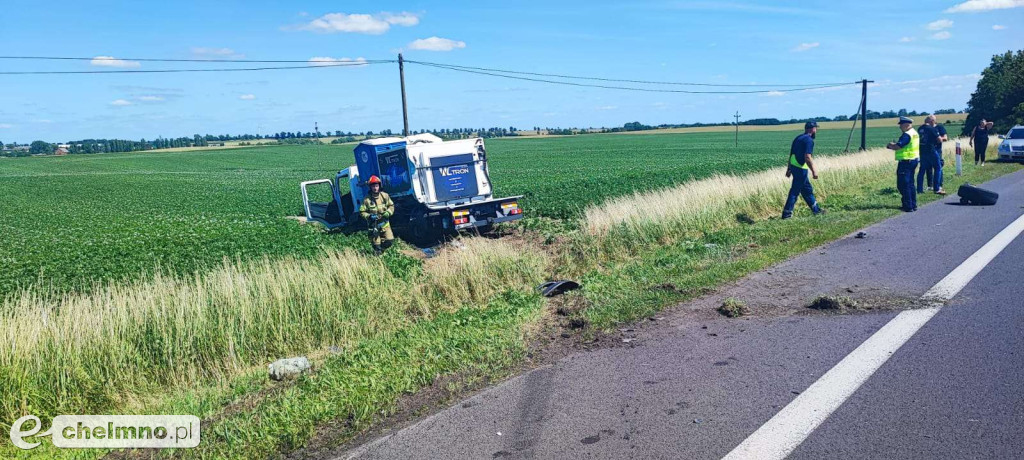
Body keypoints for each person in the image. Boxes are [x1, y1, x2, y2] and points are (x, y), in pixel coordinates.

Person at [782, 121, 824, 219]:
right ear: (812, 129)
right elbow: (807, 157)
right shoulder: (809, 140)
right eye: (816, 128)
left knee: (807, 190)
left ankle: (816, 210)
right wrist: (814, 171)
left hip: (794, 166)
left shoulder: (798, 138)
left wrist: (789, 169)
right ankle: (786, 214)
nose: (816, 130)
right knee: (795, 191)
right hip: (801, 168)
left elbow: (791, 154)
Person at [886, 117, 920, 212]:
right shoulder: (914, 133)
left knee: (903, 184)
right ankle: (913, 204)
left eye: (901, 125)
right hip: (913, 160)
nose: (900, 127)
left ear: (906, 125)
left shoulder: (907, 135)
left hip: (906, 162)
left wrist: (890, 145)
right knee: (910, 184)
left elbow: (898, 146)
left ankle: (908, 205)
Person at [359, 175, 395, 255]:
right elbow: (362, 212)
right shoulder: (366, 200)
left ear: (379, 186)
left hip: (385, 225)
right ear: (370, 187)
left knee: (389, 241)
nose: (375, 188)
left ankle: (382, 250)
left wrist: (388, 212)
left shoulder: (385, 196)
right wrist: (369, 216)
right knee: (377, 247)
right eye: (373, 186)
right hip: (374, 227)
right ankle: (378, 257)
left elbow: (391, 206)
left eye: (376, 186)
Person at [916, 115, 946, 195]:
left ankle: (919, 189)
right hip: (931, 150)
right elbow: (939, 139)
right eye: (934, 121)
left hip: (922, 151)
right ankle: (936, 188)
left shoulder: (920, 129)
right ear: (932, 121)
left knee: (922, 170)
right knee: (938, 168)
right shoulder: (931, 129)